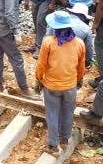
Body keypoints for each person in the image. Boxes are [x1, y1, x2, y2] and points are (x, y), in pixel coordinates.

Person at [36, 10, 86, 157]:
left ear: (55, 27)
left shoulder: (48, 42)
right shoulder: (79, 43)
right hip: (70, 86)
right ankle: (64, 139)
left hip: (51, 85)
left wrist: (38, 80)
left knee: (52, 114)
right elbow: (81, 68)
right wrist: (77, 80)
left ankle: (53, 145)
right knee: (68, 112)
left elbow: (41, 65)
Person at [47, 4, 93, 68]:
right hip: (73, 59)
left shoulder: (58, 21)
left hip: (54, 55)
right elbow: (89, 47)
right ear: (84, 16)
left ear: (71, 12)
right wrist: (89, 60)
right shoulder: (86, 29)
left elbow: (46, 37)